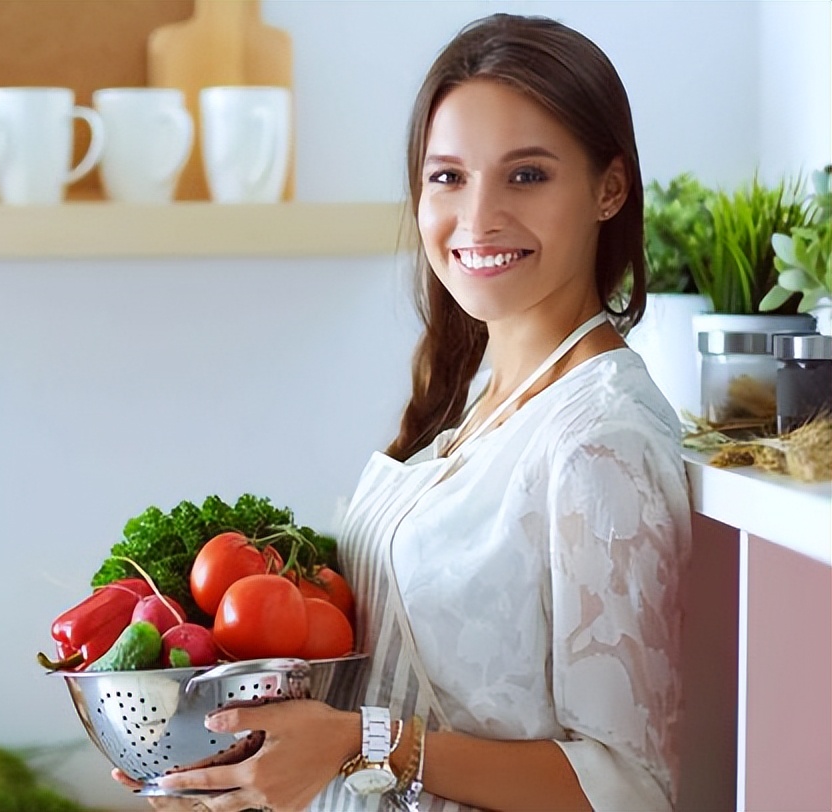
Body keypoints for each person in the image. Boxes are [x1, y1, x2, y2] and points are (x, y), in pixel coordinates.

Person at [114, 12, 691, 812]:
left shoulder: (599, 442)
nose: (479, 216)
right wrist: (240, 756)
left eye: (527, 175)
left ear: (609, 188)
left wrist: (359, 743)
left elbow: (632, 788)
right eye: (447, 176)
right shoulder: (486, 406)